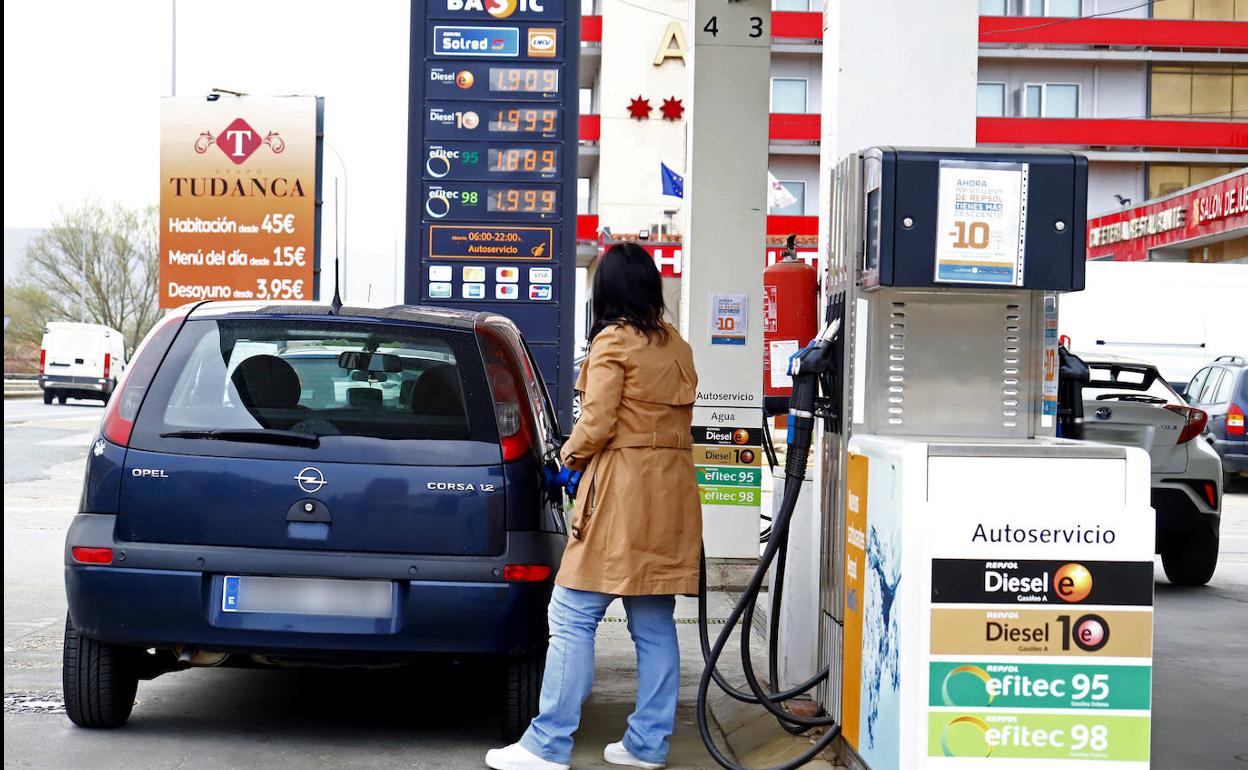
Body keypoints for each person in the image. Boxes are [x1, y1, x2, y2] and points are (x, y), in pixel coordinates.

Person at [486, 242, 702, 770]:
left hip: (623, 491)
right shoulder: (676, 344)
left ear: (608, 290)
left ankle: (547, 743)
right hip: (672, 492)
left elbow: (599, 421)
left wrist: (565, 457)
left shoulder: (613, 342)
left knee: (572, 614)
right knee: (653, 620)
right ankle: (647, 745)